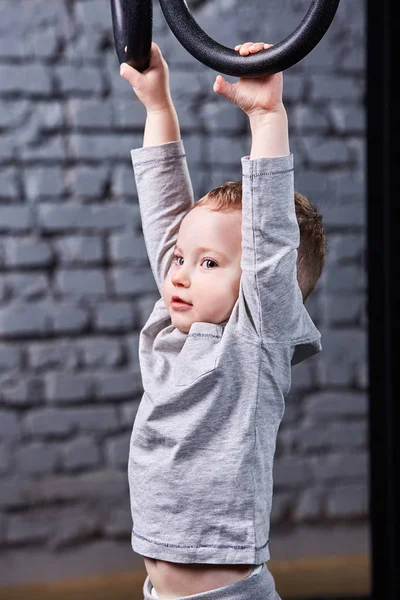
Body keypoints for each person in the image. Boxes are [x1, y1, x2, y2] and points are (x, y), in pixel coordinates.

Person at [120, 40, 326, 600]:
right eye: (182, 259)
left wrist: (265, 117)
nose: (180, 273)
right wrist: (158, 107)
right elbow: (166, 215)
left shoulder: (254, 337)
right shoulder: (175, 321)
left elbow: (268, 246)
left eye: (208, 263)